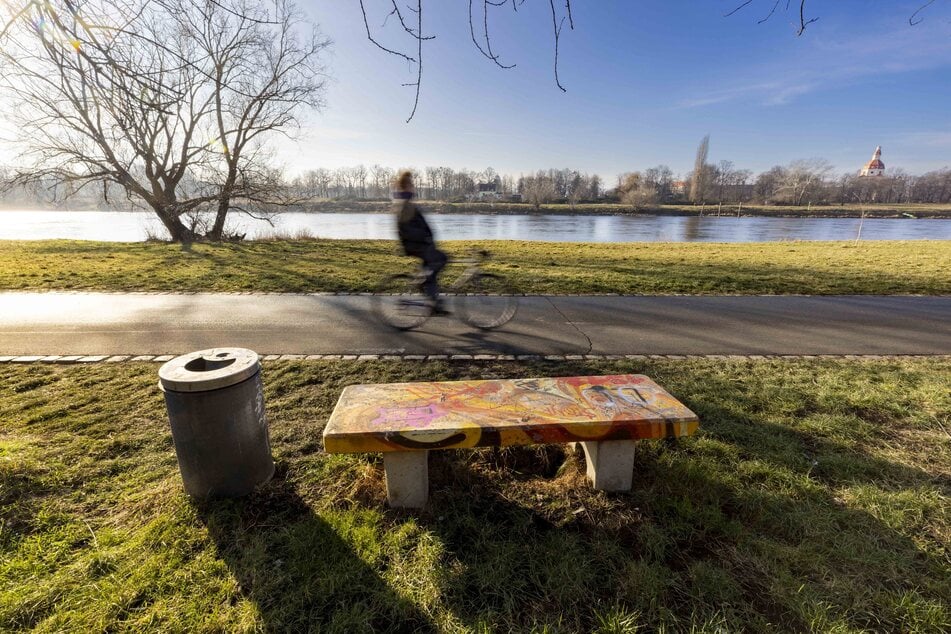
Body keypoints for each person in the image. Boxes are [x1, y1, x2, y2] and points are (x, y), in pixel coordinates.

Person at [393, 170, 449, 314]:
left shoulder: (406, 202)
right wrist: (425, 238)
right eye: (412, 185)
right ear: (406, 186)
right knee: (440, 260)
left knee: (432, 266)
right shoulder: (404, 204)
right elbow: (406, 229)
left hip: (421, 244)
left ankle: (434, 303)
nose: (414, 188)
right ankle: (425, 286)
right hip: (416, 245)